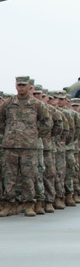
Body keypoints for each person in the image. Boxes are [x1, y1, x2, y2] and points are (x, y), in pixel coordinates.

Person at [0, 77, 51, 217]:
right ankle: (10, 204)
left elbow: (47, 122)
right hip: (10, 146)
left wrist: (34, 134)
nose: (21, 88)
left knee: (29, 176)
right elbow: (1, 120)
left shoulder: (36, 104)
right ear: (16, 86)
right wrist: (8, 133)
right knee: (9, 177)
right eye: (19, 85)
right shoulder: (9, 103)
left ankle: (29, 204)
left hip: (29, 147)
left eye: (24, 85)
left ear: (29, 86)